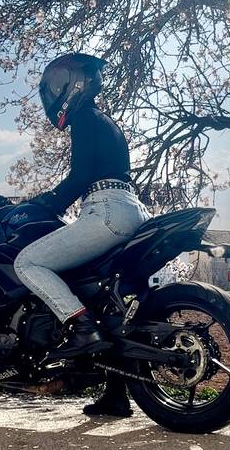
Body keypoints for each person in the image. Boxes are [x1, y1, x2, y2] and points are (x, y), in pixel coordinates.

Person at [13, 52, 147, 417]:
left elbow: (81, 177)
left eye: (58, 83)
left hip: (106, 211)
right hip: (131, 209)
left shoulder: (85, 119)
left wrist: (45, 202)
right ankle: (116, 393)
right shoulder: (107, 122)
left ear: (74, 83)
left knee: (28, 263)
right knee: (103, 301)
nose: (53, 92)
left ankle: (81, 328)